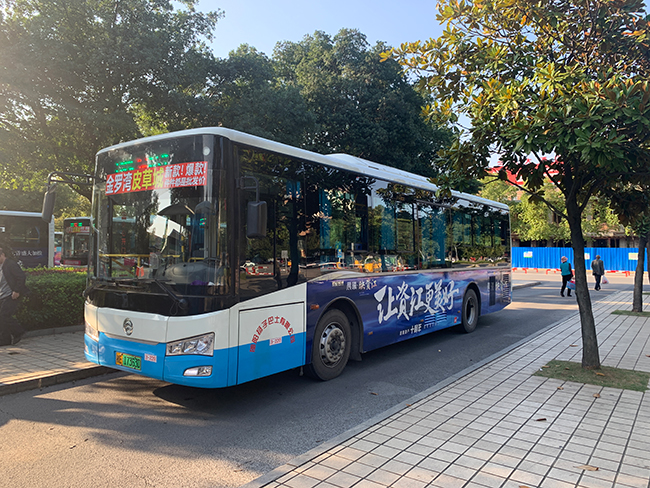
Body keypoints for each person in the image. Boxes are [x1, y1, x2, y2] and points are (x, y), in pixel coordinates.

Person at [0, 245, 29, 345]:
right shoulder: (1, 266)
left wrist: (16, 291)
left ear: (3, 255)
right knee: (2, 318)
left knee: (4, 315)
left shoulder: (10, 264)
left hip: (11, 295)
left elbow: (21, 277)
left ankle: (18, 332)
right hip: (2, 295)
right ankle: (5, 340)